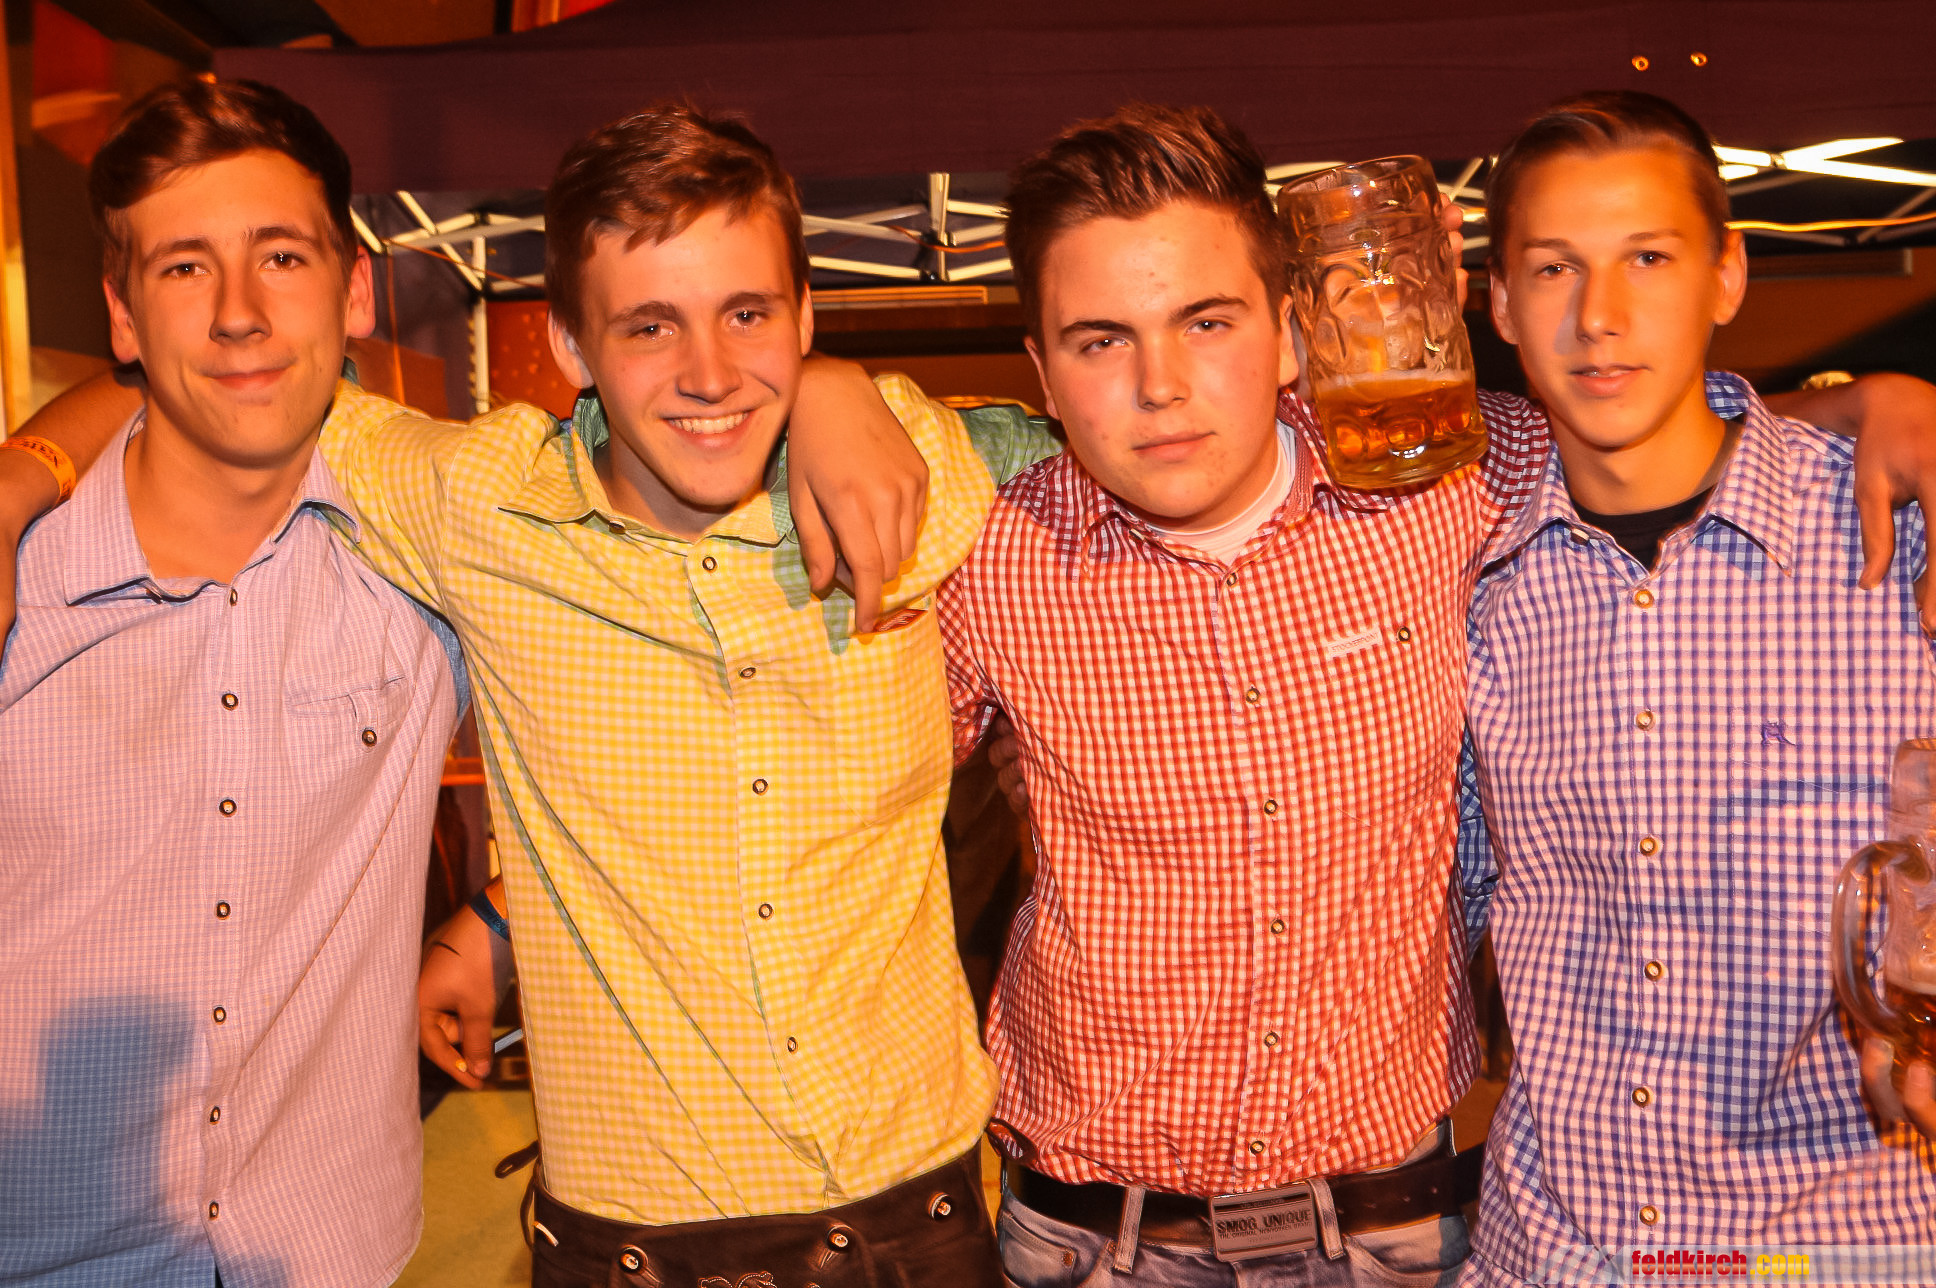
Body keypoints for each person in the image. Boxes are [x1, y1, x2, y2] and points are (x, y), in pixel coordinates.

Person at [2, 98, 1047, 1288]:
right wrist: (27, 470)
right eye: (648, 325)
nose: (708, 369)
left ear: (804, 316)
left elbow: (1110, 436)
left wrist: (832, 384)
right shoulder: (475, 512)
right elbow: (227, 378)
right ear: (570, 346)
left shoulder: (922, 472)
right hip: (607, 1246)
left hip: (912, 1216)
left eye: (749, 315)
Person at [935, 102, 1936, 1288]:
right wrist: (838, 395)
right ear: (1042, 374)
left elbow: (1656, 430)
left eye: (1206, 321)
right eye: (1100, 341)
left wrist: (1874, 402)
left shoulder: (1444, 479)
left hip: (1396, 1233)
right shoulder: (981, 555)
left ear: (1291, 331)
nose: (1160, 385)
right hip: (1093, 1239)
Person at [1458, 90, 1936, 1286]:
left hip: (1851, 1246)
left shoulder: (1899, 533)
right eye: (1554, 268)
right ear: (1499, 302)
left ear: (1726, 275)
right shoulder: (1460, 571)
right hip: (1559, 1250)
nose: (1598, 316)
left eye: (1648, 258)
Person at [0, 80, 464, 1287]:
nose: (241, 314)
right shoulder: (19, 591)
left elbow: (661, 691)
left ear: (354, 291)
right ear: (122, 315)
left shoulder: (431, 564)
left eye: (281, 257)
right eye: (185, 269)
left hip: (324, 1250)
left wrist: (830, 392)